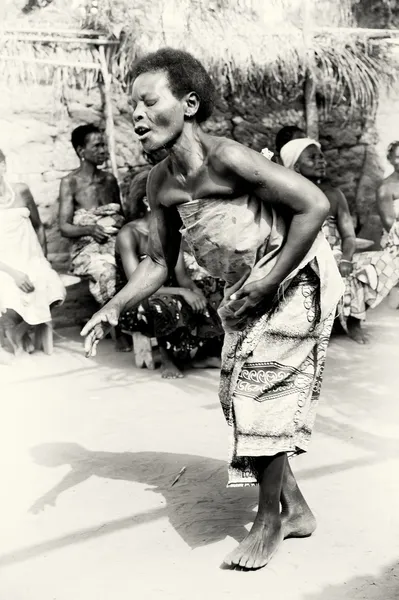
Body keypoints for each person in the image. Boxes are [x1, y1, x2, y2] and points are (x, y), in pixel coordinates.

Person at [81, 48, 343, 571]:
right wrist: (111, 306)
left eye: (149, 102)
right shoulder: (160, 183)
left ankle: (267, 522)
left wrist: (270, 281)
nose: (136, 115)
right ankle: (295, 508)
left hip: (296, 279)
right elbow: (158, 260)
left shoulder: (231, 158)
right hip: (250, 287)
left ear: (190, 104)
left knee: (258, 391)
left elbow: (314, 205)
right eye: (131, 106)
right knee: (238, 398)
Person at [281, 137, 399, 343]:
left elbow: (349, 236)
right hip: (305, 258)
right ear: (297, 166)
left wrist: (345, 258)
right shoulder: (288, 196)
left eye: (321, 156)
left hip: (336, 256)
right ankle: (323, 323)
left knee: (381, 263)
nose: (321, 161)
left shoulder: (335, 195)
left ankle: (353, 322)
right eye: (313, 158)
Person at [115, 208, 224, 378]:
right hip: (136, 301)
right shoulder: (128, 233)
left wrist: (195, 290)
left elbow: (183, 277)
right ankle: (168, 359)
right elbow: (136, 286)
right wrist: (183, 292)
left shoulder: (171, 231)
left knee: (215, 287)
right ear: (147, 201)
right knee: (165, 301)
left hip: (172, 293)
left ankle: (206, 354)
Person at [0, 149, 65, 358]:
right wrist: (15, 274)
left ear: (3, 166)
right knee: (11, 295)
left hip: (31, 259)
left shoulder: (21, 191)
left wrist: (42, 259)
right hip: (5, 266)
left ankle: (20, 331)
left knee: (54, 289)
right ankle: (14, 333)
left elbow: (38, 226)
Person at [59, 124, 124, 306]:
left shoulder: (109, 180)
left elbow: (123, 217)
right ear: (81, 150)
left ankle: (137, 322)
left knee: (141, 266)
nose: (103, 150)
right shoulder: (70, 183)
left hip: (116, 246)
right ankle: (118, 317)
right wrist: (91, 228)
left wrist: (118, 221)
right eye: (97, 146)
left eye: (104, 145)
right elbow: (64, 227)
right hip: (88, 251)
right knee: (108, 271)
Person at [377, 141, 399, 250]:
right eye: (398, 157)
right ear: (390, 159)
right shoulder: (386, 188)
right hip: (395, 244)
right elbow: (389, 224)